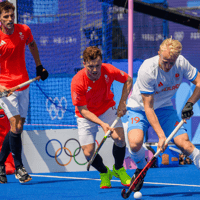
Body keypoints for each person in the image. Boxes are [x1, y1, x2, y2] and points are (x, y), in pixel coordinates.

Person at [126, 38, 200, 192]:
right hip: (140, 108)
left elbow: (199, 82)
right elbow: (149, 107)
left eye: (171, 63)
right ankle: (140, 169)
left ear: (177, 59)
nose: (167, 66)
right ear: (158, 53)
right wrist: (161, 136)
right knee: (134, 143)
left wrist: (190, 103)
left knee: (184, 143)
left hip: (165, 108)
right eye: (165, 61)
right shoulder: (148, 69)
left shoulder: (182, 63)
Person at [71, 46, 133, 189]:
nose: (94, 70)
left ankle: (118, 169)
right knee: (88, 153)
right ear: (84, 63)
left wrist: (122, 102)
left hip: (106, 108)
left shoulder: (108, 70)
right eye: (91, 66)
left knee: (119, 138)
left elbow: (128, 80)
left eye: (97, 65)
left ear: (101, 62)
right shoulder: (77, 81)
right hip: (86, 114)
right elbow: (83, 110)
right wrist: (102, 124)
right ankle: (105, 173)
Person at [0, 1, 48, 184]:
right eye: (6, 16)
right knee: (16, 126)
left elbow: (33, 45)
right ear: (0, 19)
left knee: (17, 127)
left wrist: (39, 66)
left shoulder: (24, 30)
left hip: (24, 84)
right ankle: (19, 167)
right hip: (6, 89)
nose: (10, 19)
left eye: (12, 15)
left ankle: (0, 164)